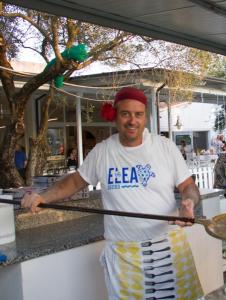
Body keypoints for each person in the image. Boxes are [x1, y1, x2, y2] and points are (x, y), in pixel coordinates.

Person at [21, 87, 203, 300]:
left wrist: (188, 202)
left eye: (138, 114)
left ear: (145, 117)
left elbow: (188, 186)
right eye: (125, 113)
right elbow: (74, 181)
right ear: (115, 116)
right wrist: (43, 196)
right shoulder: (103, 151)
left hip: (169, 248)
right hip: (124, 255)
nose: (132, 120)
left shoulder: (165, 147)